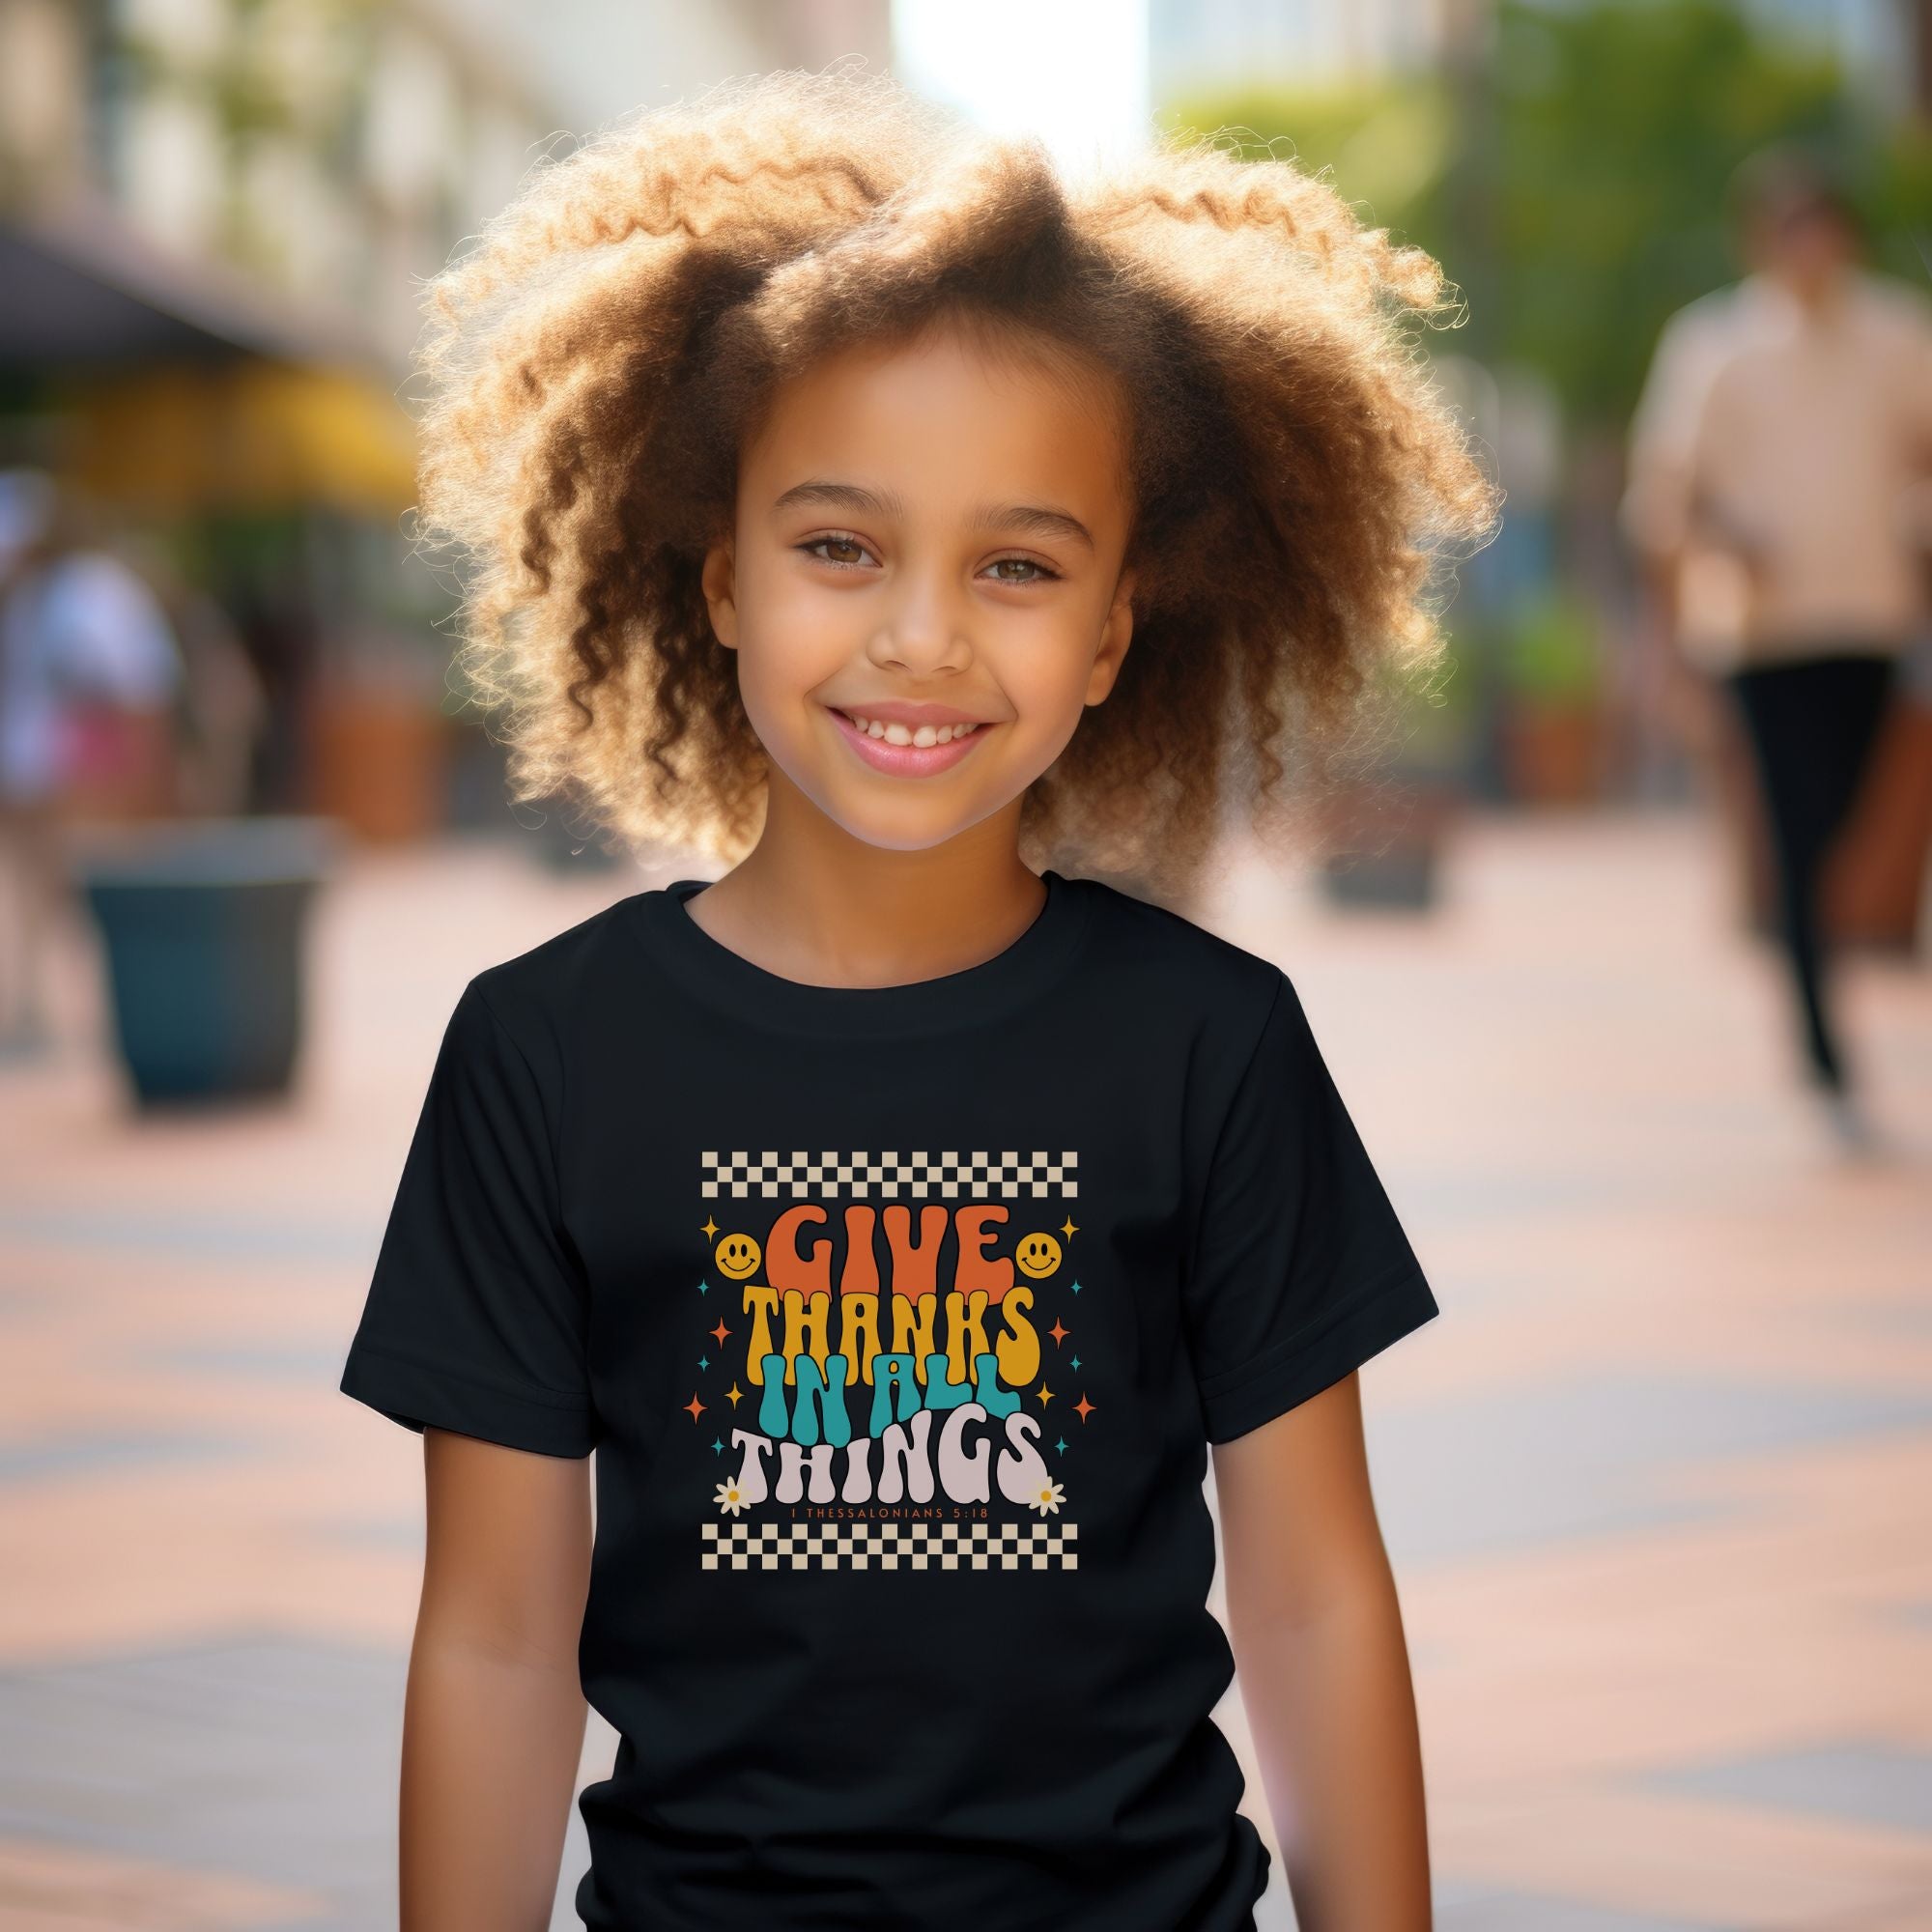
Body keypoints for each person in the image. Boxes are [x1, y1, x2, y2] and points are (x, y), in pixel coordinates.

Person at [337, 69, 1495, 1932]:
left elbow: (1310, 1593)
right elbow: (491, 1635)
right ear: (722, 580)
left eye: (1018, 566)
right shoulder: (541, 1056)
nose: (922, 635)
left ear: (1113, 632)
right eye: (840, 545)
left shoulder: (1213, 1044)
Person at [1623, 145, 1932, 1151]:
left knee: (1840, 823)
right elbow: (1667, 489)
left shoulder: (1896, 334)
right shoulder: (1711, 345)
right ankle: (1819, 1047)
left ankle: (1824, 1019)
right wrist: (1714, 549)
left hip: (1865, 621)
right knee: (1796, 837)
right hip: (1759, 638)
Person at [0, 473, 185, 1053]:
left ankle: (107, 1013)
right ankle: (43, 1010)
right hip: (39, 767)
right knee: (41, 889)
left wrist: (143, 771)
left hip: (81, 767)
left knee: (82, 889)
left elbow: (134, 688)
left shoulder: (87, 592)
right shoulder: (37, 597)